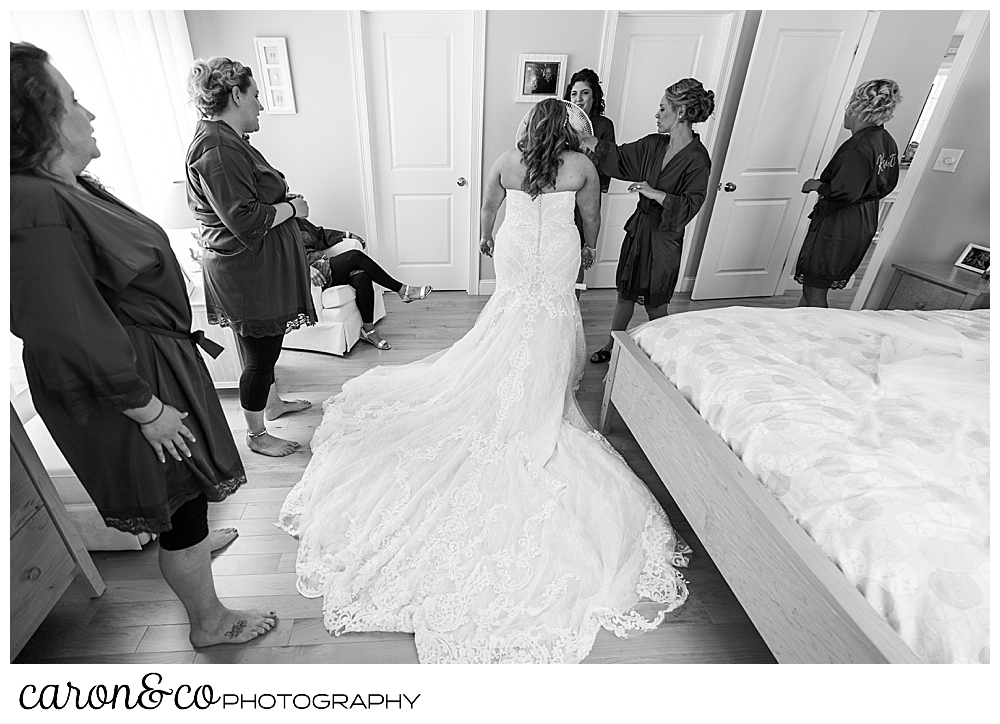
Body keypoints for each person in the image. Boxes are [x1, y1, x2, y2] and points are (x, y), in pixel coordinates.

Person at [277, 98, 690, 664]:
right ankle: (541, 390)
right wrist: (589, 249)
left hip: (518, 245)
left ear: (529, 128)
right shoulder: (583, 168)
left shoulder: (506, 160)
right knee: (550, 311)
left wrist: (489, 237)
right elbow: (589, 219)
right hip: (557, 249)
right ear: (569, 131)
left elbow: (489, 206)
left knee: (514, 307)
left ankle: (516, 378)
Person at [10, 42, 276, 647]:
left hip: (153, 363)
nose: (92, 114)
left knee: (189, 492)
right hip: (132, 384)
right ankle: (208, 623)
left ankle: (200, 546)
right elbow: (63, 328)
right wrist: (146, 408)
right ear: (39, 117)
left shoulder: (67, 186)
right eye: (74, 100)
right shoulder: (33, 205)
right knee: (178, 506)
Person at [184, 57, 431, 456]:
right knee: (259, 356)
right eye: (256, 96)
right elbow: (245, 221)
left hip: (257, 268)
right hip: (245, 272)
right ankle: (256, 435)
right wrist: (293, 208)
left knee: (266, 350)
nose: (261, 105)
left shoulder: (227, 141)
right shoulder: (216, 148)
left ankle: (274, 404)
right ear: (235, 95)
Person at [581, 78, 714, 363]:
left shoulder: (698, 160)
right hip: (639, 231)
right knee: (625, 296)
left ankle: (661, 357)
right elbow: (619, 156)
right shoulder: (654, 145)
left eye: (662, 108)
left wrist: (656, 194)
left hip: (664, 240)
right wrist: (585, 139)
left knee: (656, 304)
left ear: (680, 113)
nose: (657, 114)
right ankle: (611, 345)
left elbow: (690, 206)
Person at [795, 79, 902, 307]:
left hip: (840, 224)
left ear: (856, 107)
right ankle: (796, 331)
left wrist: (816, 185)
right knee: (814, 286)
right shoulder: (886, 142)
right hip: (863, 219)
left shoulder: (857, 147)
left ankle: (818, 337)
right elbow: (888, 183)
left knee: (814, 289)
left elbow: (845, 192)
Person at [296, 219, 432, 351]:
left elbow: (320, 234)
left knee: (363, 278)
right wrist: (306, 270)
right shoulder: (279, 230)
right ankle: (403, 290)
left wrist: (348, 235)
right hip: (314, 274)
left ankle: (368, 331)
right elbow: (278, 264)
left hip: (325, 265)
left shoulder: (298, 221)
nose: (300, 199)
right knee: (355, 256)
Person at [563, 68, 616, 298]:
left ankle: (573, 304)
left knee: (579, 252)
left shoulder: (604, 126)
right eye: (574, 93)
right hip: (562, 194)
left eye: (585, 93)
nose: (579, 99)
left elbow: (609, 163)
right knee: (560, 248)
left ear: (594, 96)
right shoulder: (561, 122)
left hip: (586, 195)